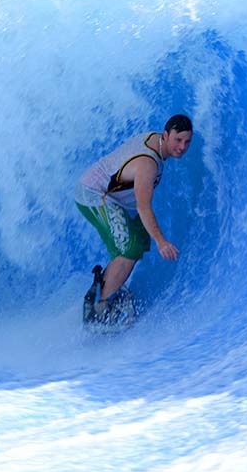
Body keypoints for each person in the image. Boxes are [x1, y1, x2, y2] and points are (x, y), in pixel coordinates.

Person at [76, 114, 194, 320]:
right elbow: (144, 207)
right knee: (129, 248)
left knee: (139, 239)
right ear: (165, 135)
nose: (182, 146)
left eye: (187, 142)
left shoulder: (156, 141)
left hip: (116, 197)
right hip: (94, 194)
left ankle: (105, 284)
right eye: (178, 140)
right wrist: (162, 242)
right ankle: (100, 310)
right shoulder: (147, 164)